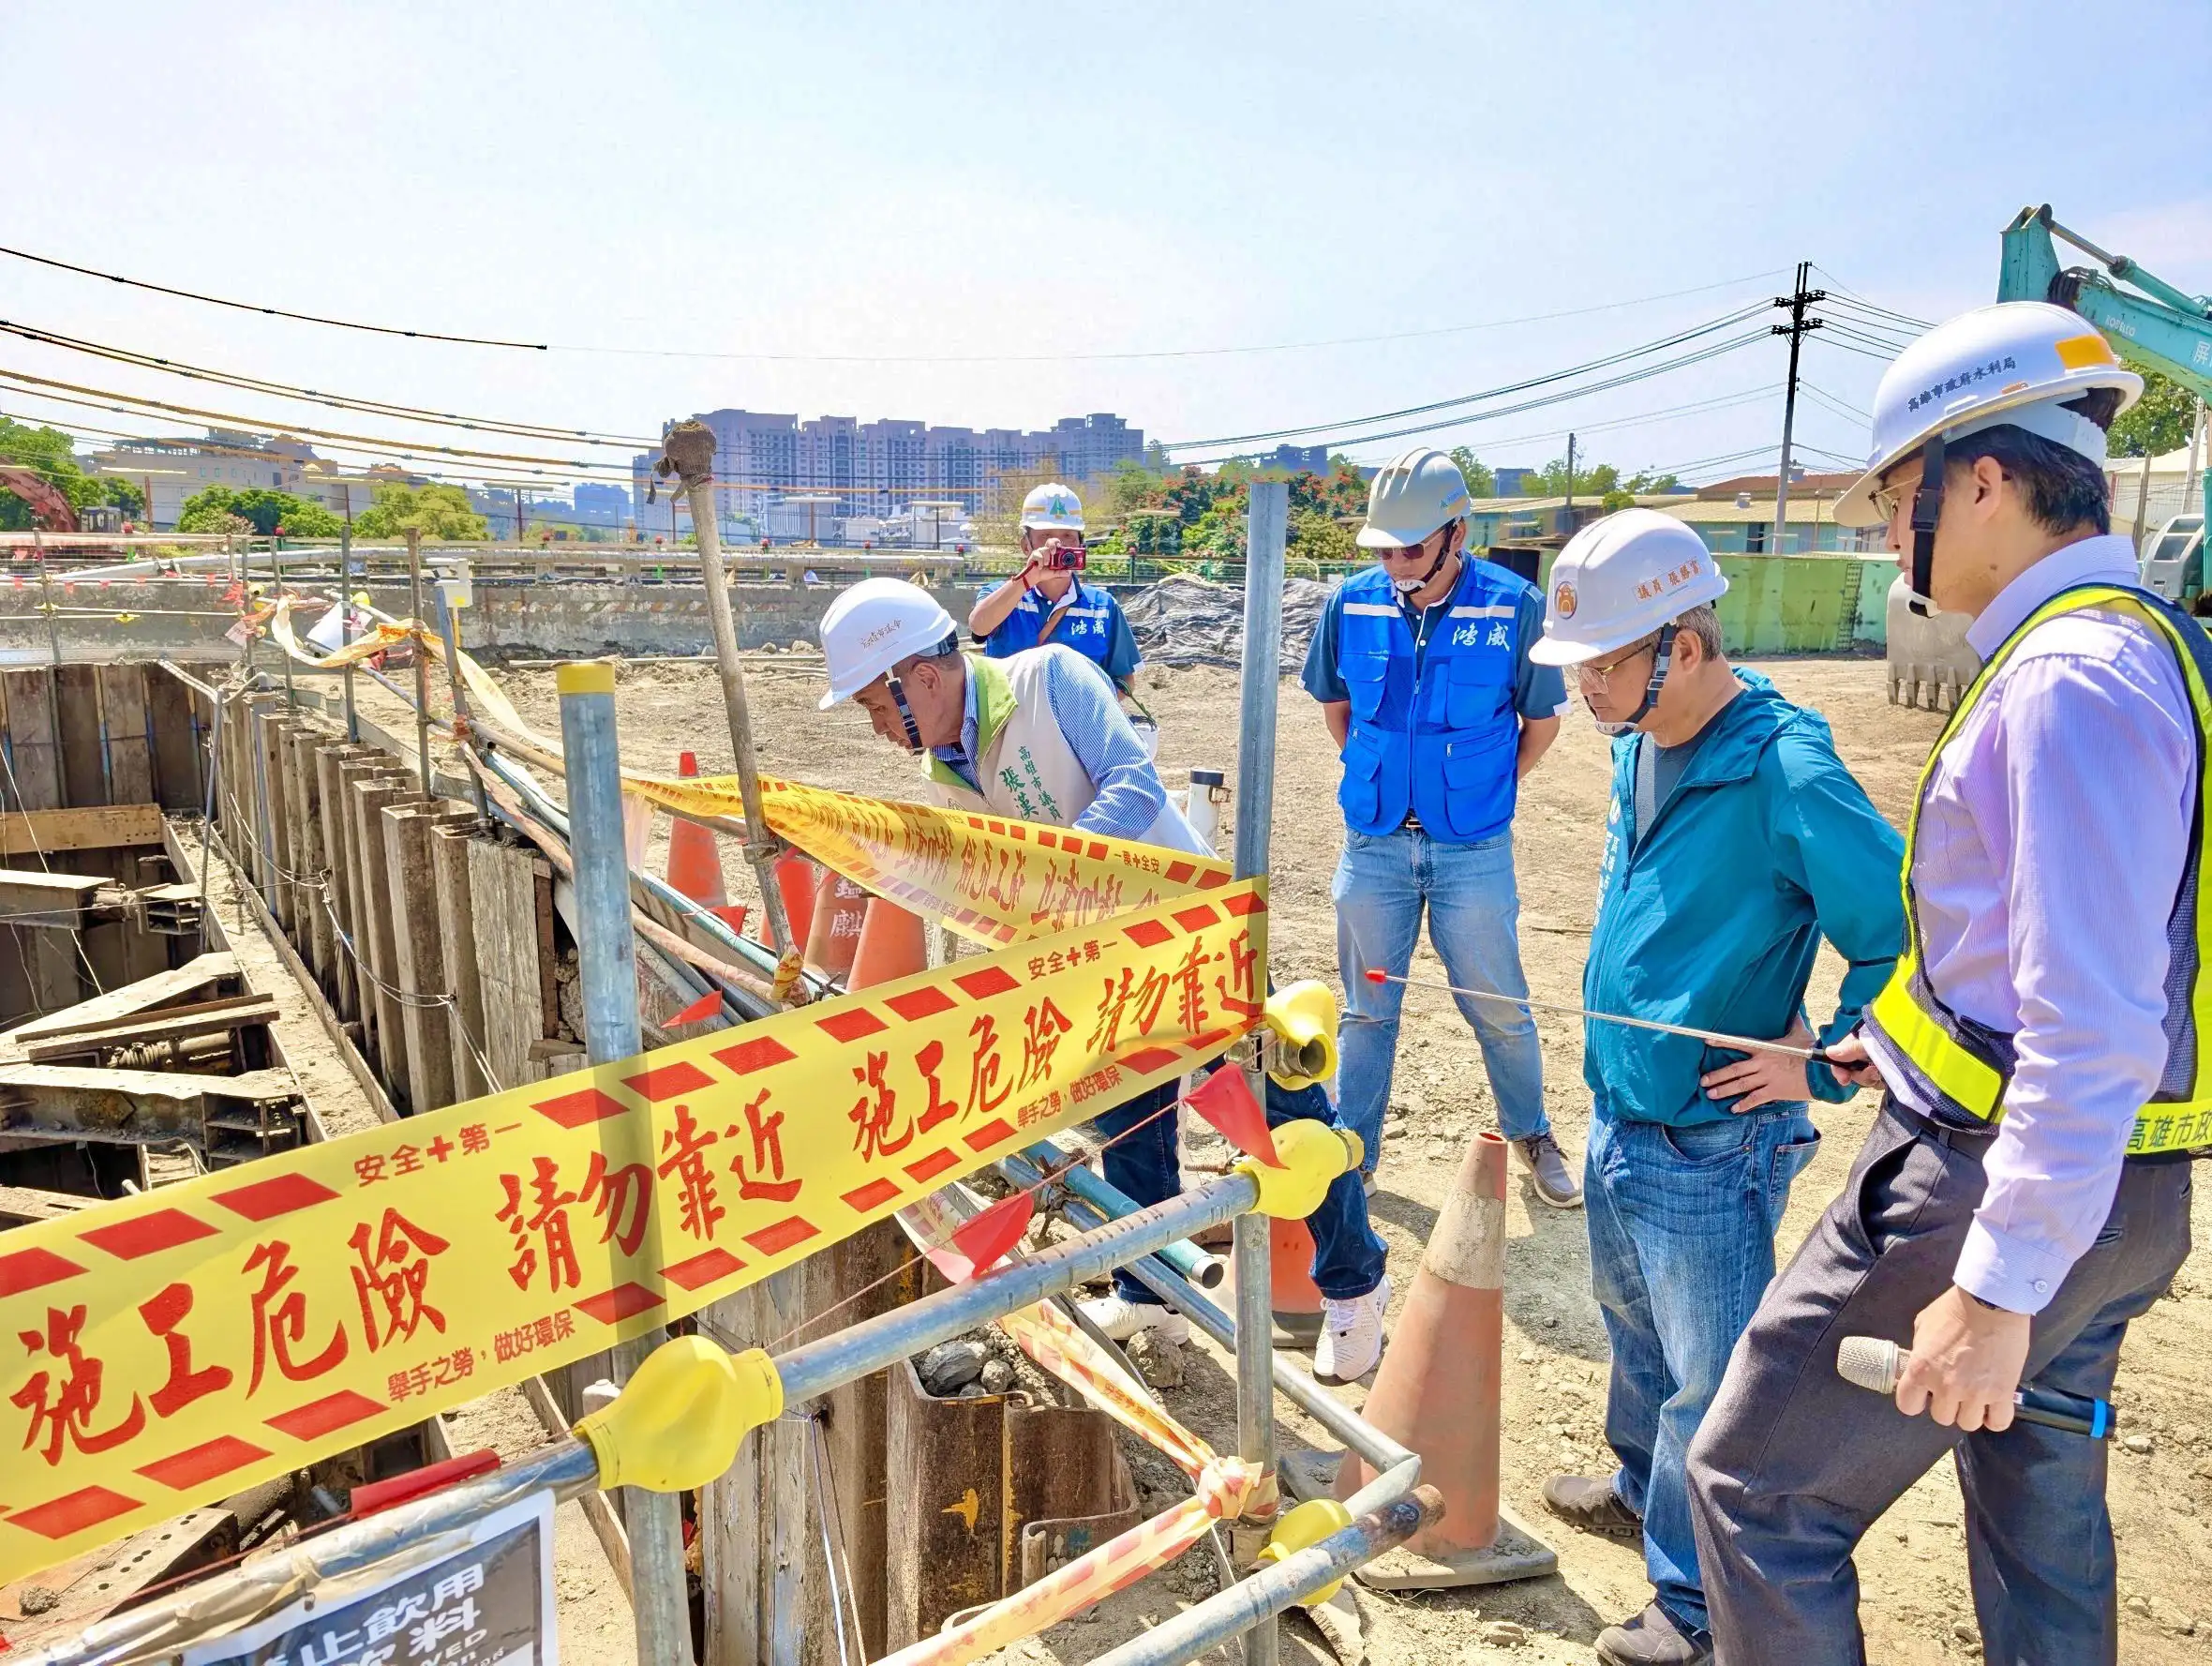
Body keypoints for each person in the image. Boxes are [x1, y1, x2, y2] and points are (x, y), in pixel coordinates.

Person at [1686, 301, 2198, 1666]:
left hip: (1994, 1191)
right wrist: (1896, 1047)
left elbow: (2089, 1023)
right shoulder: (2149, 650)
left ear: (1985, 478)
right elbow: (2067, 965)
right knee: (2042, 1520)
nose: (1886, 531)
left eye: (1901, 495)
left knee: (1756, 1494)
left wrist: (1992, 1287)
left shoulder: (2068, 683)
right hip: (2121, 1194)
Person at [817, 577, 1393, 1376]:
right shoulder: (945, 773)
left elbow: (1132, 782)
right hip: (1096, 961)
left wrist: (1058, 880)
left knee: (1281, 1104)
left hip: (1189, 926)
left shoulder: (1049, 678)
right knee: (1132, 1126)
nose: (878, 727)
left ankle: (1356, 1284)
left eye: (877, 706)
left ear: (918, 677)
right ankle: (1153, 1294)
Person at [1521, 510, 1905, 1666]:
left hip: (1710, 1142)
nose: (1583, 688)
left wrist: (1824, 1057)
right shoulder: (1638, 743)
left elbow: (1903, 941)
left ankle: (1690, 1606)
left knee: (1707, 1379)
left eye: (1600, 665)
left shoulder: (1784, 762)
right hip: (1621, 1111)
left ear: (1679, 648)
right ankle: (1640, 1491)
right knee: (1634, 1338)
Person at [1301, 445, 1578, 1207]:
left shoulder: (1514, 607)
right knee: (1365, 1008)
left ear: (1459, 533)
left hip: (1473, 851)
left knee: (1499, 1003)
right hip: (1376, 845)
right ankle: (1353, 1151)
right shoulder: (1350, 604)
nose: (1395, 561)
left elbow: (1541, 721)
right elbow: (1338, 710)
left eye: (1411, 546)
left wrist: (1479, 790)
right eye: (1384, 547)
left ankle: (1531, 1132)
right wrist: (1389, 778)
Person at [967, 482, 1143, 697]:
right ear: (1026, 546)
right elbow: (979, 625)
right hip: (1013, 727)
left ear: (1081, 545)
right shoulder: (1003, 595)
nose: (1058, 545)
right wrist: (1026, 580)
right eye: (1045, 536)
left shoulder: (1103, 606)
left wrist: (1086, 707)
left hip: (1077, 727)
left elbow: (1124, 680)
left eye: (1068, 536)